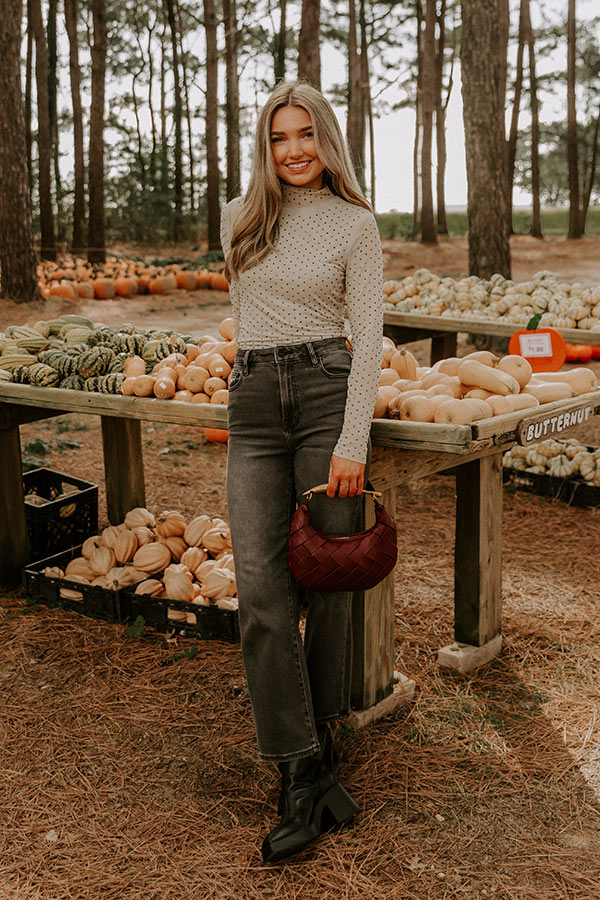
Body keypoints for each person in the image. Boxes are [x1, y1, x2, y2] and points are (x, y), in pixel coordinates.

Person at [220, 80, 384, 863]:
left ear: (327, 142)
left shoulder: (356, 225)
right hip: (253, 400)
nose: (294, 150)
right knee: (259, 585)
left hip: (326, 393)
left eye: (306, 135)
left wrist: (353, 440)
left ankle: (309, 763)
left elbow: (370, 335)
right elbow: (247, 318)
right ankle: (304, 763)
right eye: (281, 137)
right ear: (266, 144)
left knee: (329, 577)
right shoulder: (238, 217)